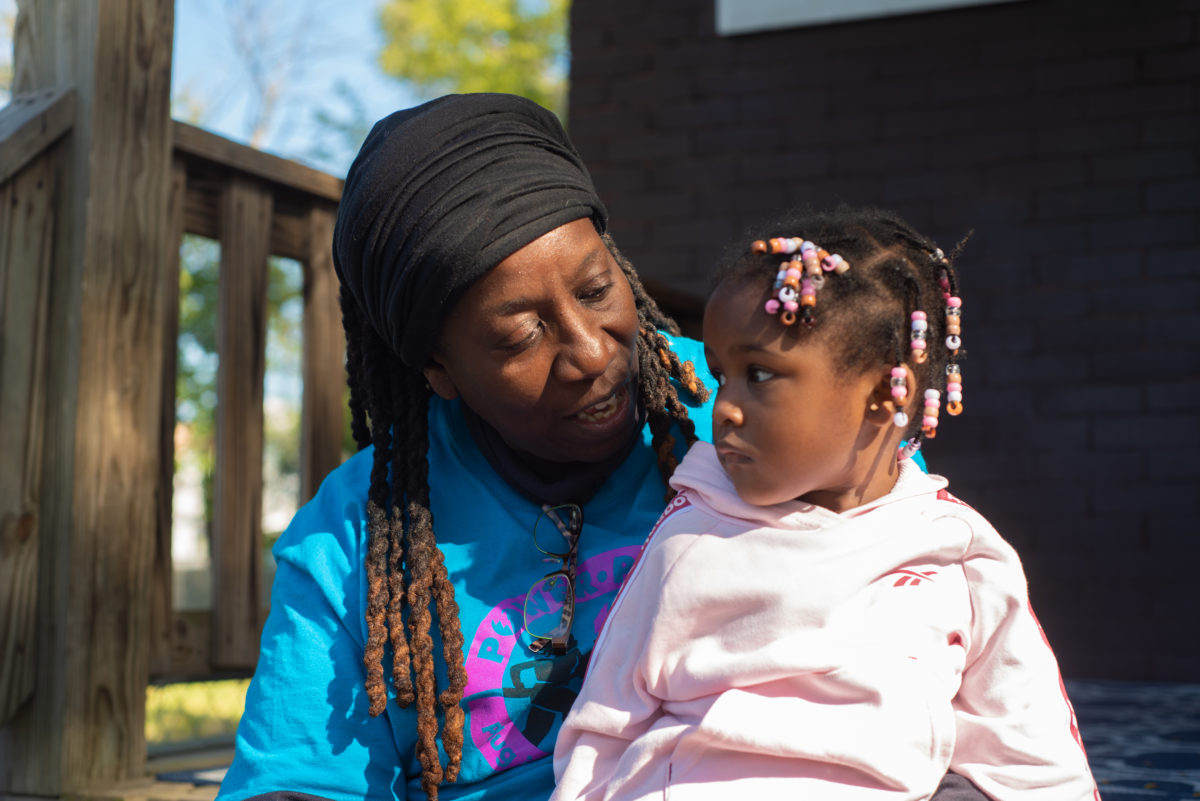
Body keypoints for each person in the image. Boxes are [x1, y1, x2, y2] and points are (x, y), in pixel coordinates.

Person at [215, 96, 990, 801]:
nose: (590, 351)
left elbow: (940, 637)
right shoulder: (357, 538)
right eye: (521, 333)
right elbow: (296, 783)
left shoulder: (761, 414)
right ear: (440, 370)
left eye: (595, 290)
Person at [551, 207, 1099, 801]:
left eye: (759, 375)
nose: (725, 405)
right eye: (720, 374)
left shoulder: (956, 553)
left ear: (886, 394)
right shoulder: (692, 534)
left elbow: (1028, 741)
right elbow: (607, 715)